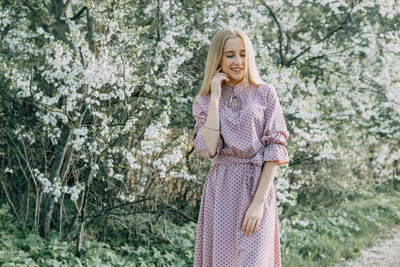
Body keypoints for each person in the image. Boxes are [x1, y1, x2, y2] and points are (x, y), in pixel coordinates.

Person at [192, 27, 290, 266]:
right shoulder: (204, 101)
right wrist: (215, 97)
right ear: (218, 57)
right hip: (222, 189)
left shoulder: (265, 93)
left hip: (257, 186)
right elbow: (210, 149)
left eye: (244, 54)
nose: (238, 61)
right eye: (230, 55)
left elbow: (275, 149)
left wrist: (258, 204)